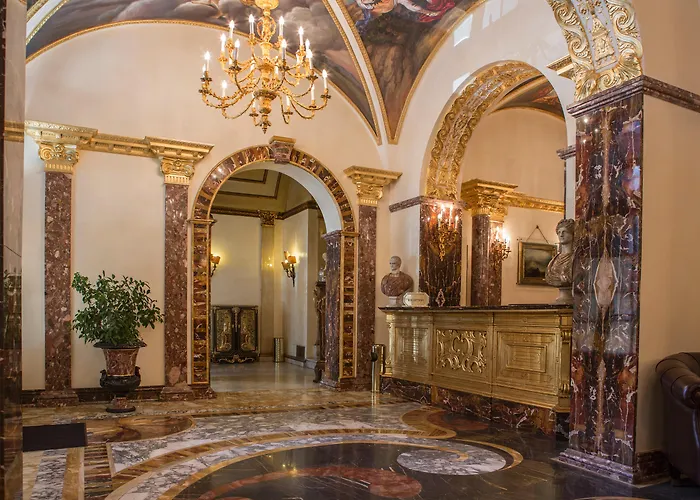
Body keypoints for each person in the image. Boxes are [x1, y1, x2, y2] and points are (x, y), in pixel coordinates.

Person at [545, 219, 574, 305]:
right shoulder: (554, 261)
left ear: (573, 234)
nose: (561, 235)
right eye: (559, 232)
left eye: (565, 232)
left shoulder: (577, 259)